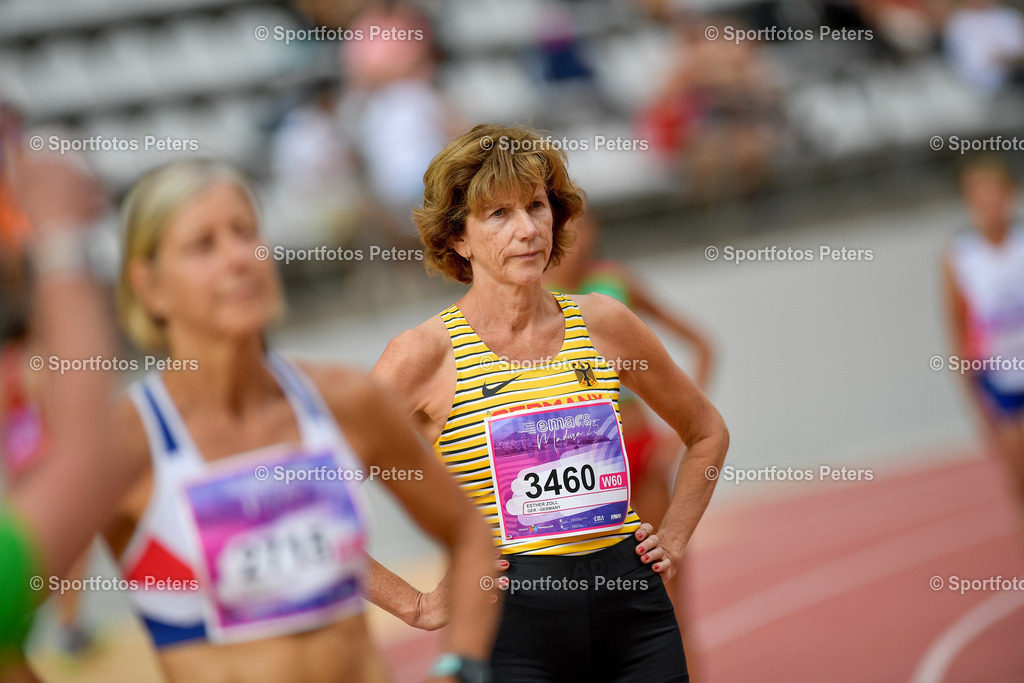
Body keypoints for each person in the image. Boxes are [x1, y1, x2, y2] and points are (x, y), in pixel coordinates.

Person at [99, 159, 498, 682]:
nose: (238, 257)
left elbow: (471, 530)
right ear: (149, 287)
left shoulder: (345, 400)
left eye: (246, 233)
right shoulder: (122, 442)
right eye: (203, 245)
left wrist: (460, 663)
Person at [369, 124, 730, 681]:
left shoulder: (604, 323)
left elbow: (706, 431)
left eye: (536, 207)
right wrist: (412, 604)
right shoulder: (422, 355)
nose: (527, 230)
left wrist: (675, 538)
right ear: (458, 239)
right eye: (498, 215)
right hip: (511, 624)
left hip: (632, 609)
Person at [543, 211, 715, 606]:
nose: (578, 237)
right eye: (567, 227)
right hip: (581, 467)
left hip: (640, 449)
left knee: (669, 592)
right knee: (596, 599)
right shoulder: (535, 299)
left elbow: (701, 344)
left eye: (586, 226)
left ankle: (679, 664)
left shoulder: (615, 284)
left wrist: (679, 432)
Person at [943, 155, 1024, 538]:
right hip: (1000, 382)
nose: (990, 203)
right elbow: (958, 331)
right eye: (980, 195)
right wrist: (975, 400)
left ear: (1010, 194)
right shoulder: (960, 256)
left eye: (996, 193)